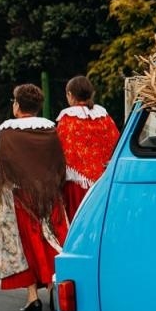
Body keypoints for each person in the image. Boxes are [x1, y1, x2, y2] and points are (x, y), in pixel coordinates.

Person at [0, 84, 69, 311]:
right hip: (48, 193)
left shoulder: (7, 132)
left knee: (25, 243)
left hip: (20, 196)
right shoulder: (49, 130)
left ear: (17, 105)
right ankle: (52, 287)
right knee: (51, 239)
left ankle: (31, 296)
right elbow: (58, 162)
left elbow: (5, 167)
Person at [55, 75, 119, 217]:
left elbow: (59, 151)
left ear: (70, 95)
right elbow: (115, 144)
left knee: (78, 220)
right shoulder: (104, 117)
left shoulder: (67, 119)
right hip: (104, 182)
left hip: (77, 185)